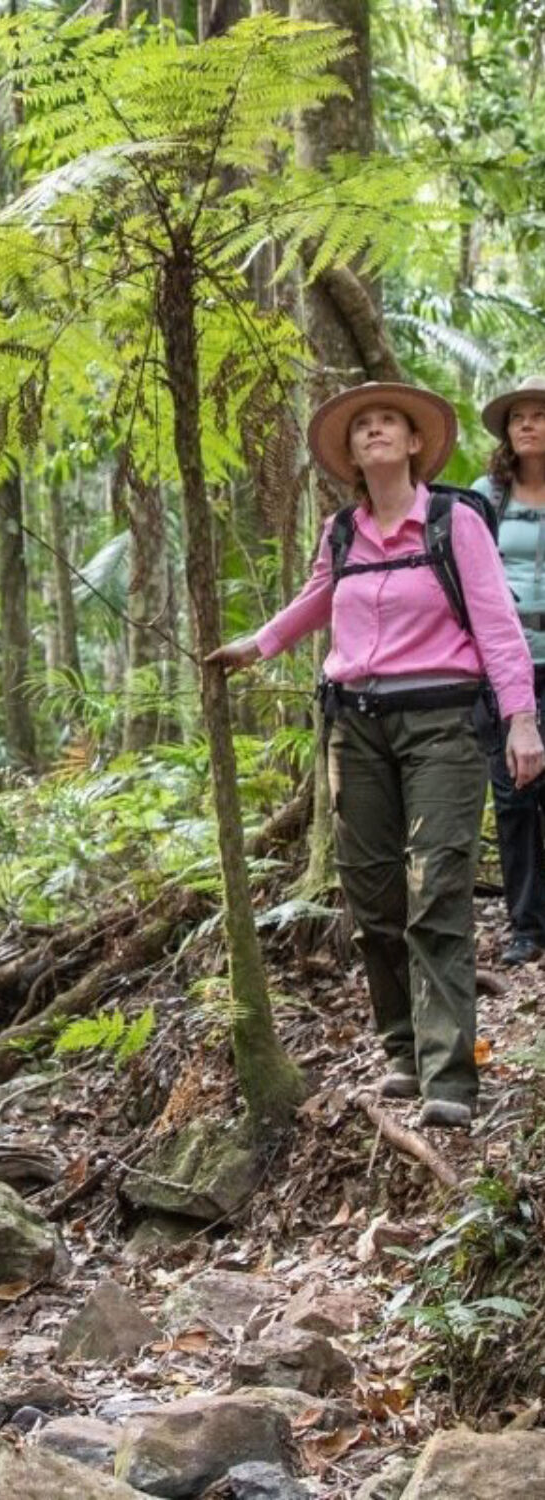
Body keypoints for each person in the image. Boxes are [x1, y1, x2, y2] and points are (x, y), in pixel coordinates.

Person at [208, 382, 543, 1131]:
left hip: (443, 726)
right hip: (355, 727)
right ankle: (401, 1049)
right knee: (371, 893)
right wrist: (257, 646)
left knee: (439, 888)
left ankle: (449, 1071)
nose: (376, 432)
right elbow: (314, 601)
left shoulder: (455, 522)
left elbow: (496, 625)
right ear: (351, 453)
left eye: (389, 422)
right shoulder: (340, 533)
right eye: (362, 427)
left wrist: (522, 720)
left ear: (416, 442)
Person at [473, 376, 545, 964]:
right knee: (515, 792)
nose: (526, 424)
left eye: (539, 415)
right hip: (505, 663)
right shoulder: (485, 497)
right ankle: (526, 924)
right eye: (517, 416)